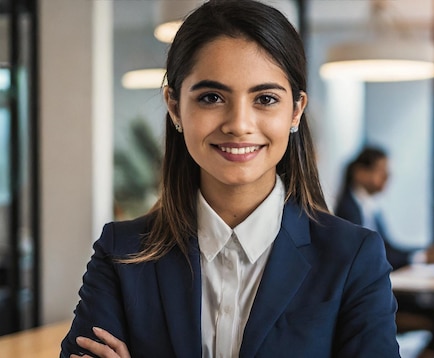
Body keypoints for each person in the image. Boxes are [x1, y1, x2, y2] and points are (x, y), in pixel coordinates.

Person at [60, 1, 400, 357]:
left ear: (296, 110)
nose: (238, 124)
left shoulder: (352, 259)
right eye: (211, 97)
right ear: (175, 106)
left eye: (265, 98)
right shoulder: (123, 252)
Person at [334, 146, 434, 358]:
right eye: (382, 171)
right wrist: (421, 257)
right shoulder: (348, 212)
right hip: (367, 299)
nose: (387, 178)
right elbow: (376, 254)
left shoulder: (368, 206)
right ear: (360, 172)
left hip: (382, 290)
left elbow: (387, 248)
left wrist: (423, 254)